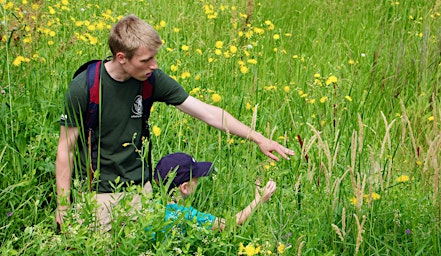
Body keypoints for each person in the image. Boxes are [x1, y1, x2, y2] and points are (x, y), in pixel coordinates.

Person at [55, 14, 294, 230]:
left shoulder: (151, 79)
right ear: (122, 58)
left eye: (154, 58)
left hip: (141, 189)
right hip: (100, 194)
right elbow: (65, 149)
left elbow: (207, 112)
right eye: (146, 60)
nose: (154, 66)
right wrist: (63, 206)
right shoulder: (85, 86)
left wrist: (259, 138)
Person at [153, 152, 276, 231]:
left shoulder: (152, 207)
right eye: (196, 178)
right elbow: (230, 224)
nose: (198, 181)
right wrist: (259, 200)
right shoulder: (187, 216)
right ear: (184, 188)